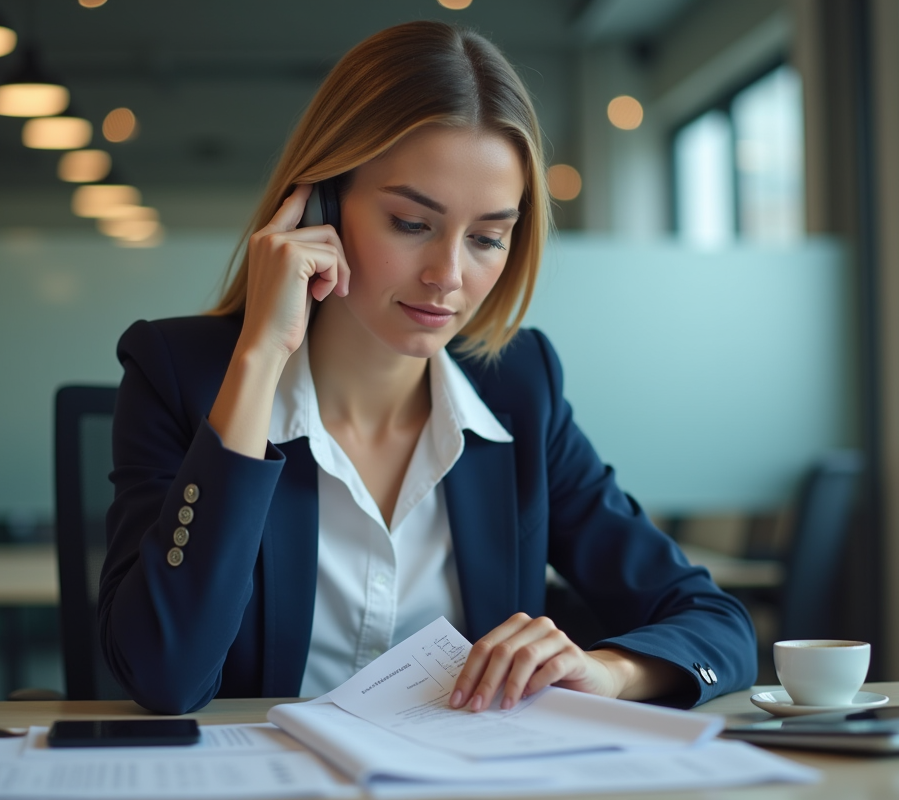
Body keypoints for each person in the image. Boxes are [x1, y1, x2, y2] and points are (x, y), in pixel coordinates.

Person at [100, 19, 756, 716]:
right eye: (411, 224)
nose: (448, 276)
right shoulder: (179, 376)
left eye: (487, 237)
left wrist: (612, 671)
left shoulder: (519, 390)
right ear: (323, 204)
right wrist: (259, 359)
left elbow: (717, 625)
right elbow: (165, 676)